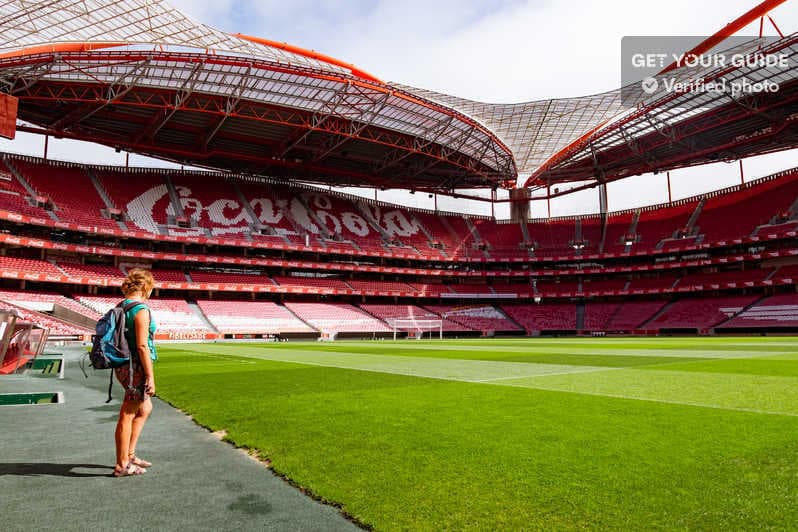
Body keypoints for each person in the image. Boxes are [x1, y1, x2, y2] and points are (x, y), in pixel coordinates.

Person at [113, 268, 158, 477]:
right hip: (135, 367)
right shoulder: (140, 309)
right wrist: (150, 375)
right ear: (146, 286)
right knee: (128, 412)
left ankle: (129, 454)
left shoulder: (120, 306)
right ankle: (122, 464)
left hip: (123, 366)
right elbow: (142, 346)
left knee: (145, 408)